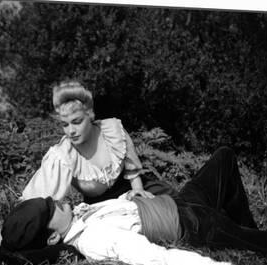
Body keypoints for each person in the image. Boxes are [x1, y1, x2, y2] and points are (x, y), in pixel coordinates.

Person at [1, 147, 267, 265]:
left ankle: (244, 231)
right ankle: (249, 241)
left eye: (49, 200)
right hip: (194, 224)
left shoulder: (80, 214)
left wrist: (127, 198)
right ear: (54, 238)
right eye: (50, 210)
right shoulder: (96, 240)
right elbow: (158, 260)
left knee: (224, 157)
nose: (56, 201)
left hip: (179, 202)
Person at [21, 81, 163, 205]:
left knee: (171, 205)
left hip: (134, 190)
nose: (71, 131)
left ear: (89, 115)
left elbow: (133, 172)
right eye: (65, 124)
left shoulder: (112, 130)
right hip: (100, 207)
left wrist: (138, 191)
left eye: (77, 122)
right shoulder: (62, 156)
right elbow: (36, 201)